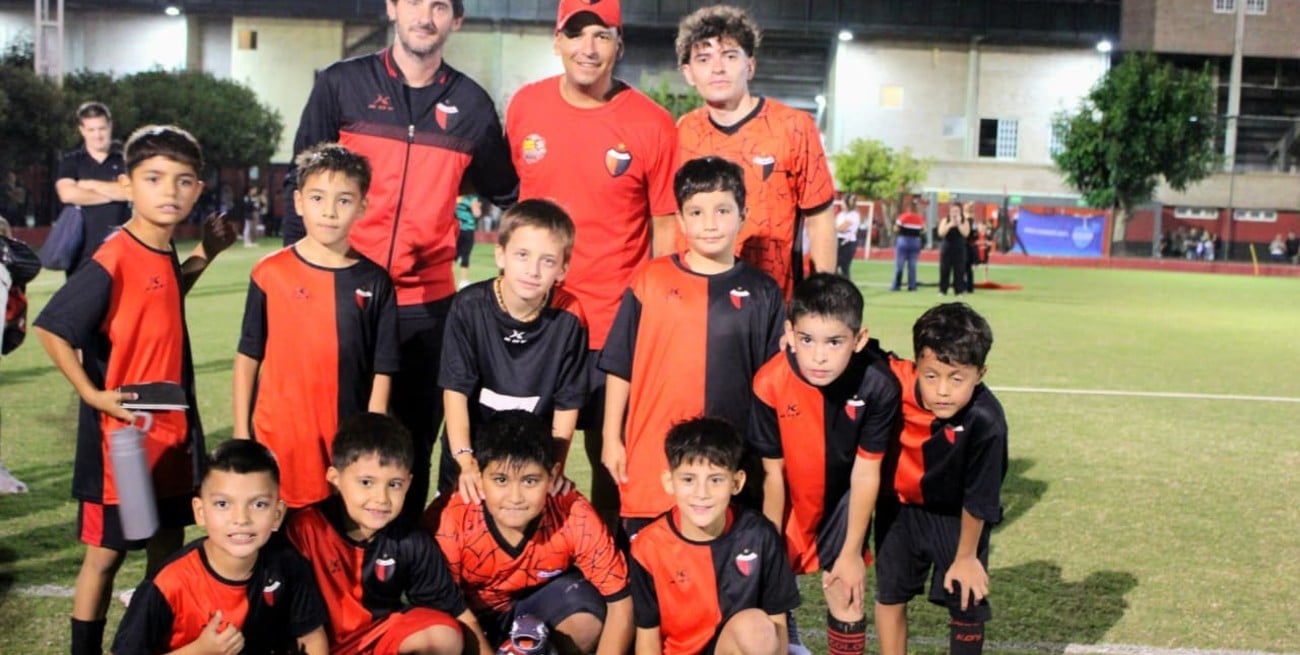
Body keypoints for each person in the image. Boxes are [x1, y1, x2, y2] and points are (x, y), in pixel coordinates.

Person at [286, 0, 520, 522]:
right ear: (392, 6)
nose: (425, 15)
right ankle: (323, 565)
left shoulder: (473, 105)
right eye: (414, 1)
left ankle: (399, 570)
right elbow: (297, 183)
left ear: (455, 20)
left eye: (440, 6)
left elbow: (509, 192)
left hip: (426, 306)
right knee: (331, 439)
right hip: (341, 293)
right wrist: (295, 280)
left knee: (409, 443)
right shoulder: (341, 84)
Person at [33, 124, 235, 655]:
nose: (169, 191)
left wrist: (205, 255)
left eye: (183, 180)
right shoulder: (114, 254)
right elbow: (53, 327)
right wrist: (93, 395)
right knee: (107, 552)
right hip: (122, 436)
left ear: (198, 189)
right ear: (127, 185)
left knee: (167, 544)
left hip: (172, 430)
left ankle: (144, 643)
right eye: (153, 178)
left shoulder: (160, 248)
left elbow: (162, 294)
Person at [504, 0, 679, 530]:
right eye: (575, 34)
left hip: (614, 328)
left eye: (601, 36)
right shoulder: (525, 107)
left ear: (619, 46)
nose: (588, 47)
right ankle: (520, 574)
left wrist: (661, 313)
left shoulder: (652, 123)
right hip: (537, 323)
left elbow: (666, 226)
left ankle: (611, 576)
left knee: (614, 462)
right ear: (556, 41)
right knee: (523, 461)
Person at [599, 156, 784, 536]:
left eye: (722, 210)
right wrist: (610, 437)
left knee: (721, 567)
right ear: (681, 221)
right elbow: (621, 364)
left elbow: (774, 383)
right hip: (653, 453)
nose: (710, 223)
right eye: (697, 212)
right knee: (651, 567)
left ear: (742, 214)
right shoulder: (650, 278)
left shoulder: (763, 291)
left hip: (731, 455)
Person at [233, 143, 400, 509]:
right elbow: (248, 357)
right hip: (280, 436)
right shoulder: (269, 272)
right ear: (298, 202)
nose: (329, 211)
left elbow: (382, 368)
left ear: (362, 207)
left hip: (345, 440)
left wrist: (370, 436)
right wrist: (242, 432)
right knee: (279, 537)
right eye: (318, 198)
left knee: (339, 537)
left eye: (343, 200)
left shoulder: (375, 281)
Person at [750, 274, 900, 655]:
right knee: (771, 590)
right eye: (807, 340)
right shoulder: (769, 382)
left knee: (846, 591)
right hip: (787, 496)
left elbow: (867, 470)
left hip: (844, 496)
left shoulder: (878, 384)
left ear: (859, 339)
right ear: (790, 333)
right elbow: (773, 473)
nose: (819, 356)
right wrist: (771, 544)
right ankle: (790, 640)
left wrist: (851, 552)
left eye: (834, 342)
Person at [426, 411, 633, 655]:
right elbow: (441, 604)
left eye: (530, 481)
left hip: (541, 607)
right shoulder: (449, 518)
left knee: (588, 615)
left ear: (553, 475)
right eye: (501, 480)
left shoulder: (572, 512)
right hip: (469, 615)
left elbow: (621, 603)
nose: (515, 498)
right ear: (478, 476)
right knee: (439, 632)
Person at [675, 4, 837, 299]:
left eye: (730, 55)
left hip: (775, 301)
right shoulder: (681, 133)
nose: (717, 68)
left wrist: (825, 297)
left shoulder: (794, 126)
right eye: (704, 58)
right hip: (700, 300)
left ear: (750, 65)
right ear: (688, 73)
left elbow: (820, 217)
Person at [111, 440, 330, 655]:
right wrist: (199, 651)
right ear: (200, 511)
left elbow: (311, 637)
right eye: (223, 504)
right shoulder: (167, 584)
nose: (241, 519)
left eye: (259, 504)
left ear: (277, 515)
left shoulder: (287, 564)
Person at [875, 303, 1008, 655]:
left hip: (957, 516)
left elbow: (981, 497)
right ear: (916, 365)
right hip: (898, 509)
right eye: (931, 375)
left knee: (966, 596)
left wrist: (966, 556)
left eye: (957, 378)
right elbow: (853, 347)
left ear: (980, 374)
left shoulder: (987, 421)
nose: (943, 391)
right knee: (890, 593)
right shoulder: (892, 380)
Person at [285, 413, 478, 655]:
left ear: (408, 484)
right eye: (366, 482)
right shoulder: (304, 530)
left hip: (375, 640)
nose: (381, 498)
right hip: (315, 645)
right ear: (335, 479)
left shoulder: (409, 539)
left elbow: (458, 612)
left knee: (442, 635)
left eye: (394, 484)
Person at [438, 199, 587, 502]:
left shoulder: (570, 316)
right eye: (522, 255)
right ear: (501, 254)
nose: (532, 270)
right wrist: (465, 461)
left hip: (530, 456)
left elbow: (567, 403)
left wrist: (555, 463)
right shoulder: (469, 306)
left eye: (547, 261)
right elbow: (455, 391)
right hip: (470, 448)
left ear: (563, 269)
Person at [629, 417, 800, 655]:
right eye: (688, 480)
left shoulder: (759, 535)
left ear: (736, 483)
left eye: (716, 480)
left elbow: (777, 625)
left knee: (756, 628)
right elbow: (647, 637)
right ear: (669, 482)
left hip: (735, 649)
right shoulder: (648, 547)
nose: (702, 493)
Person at [55, 102, 132, 274]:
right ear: (82, 130)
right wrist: (114, 194)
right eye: (91, 130)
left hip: (122, 251)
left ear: (110, 126)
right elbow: (66, 194)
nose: (97, 135)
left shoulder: (125, 161)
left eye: (102, 128)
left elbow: (132, 192)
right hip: (81, 256)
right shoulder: (72, 161)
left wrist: (88, 185)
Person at [892, 197, 925, 292]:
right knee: (912, 265)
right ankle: (912, 286)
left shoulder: (904, 216)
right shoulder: (919, 218)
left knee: (899, 265)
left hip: (903, 241)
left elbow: (896, 228)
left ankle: (896, 285)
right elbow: (924, 230)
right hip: (915, 241)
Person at [937, 203, 970, 295]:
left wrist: (959, 224)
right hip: (947, 247)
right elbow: (941, 233)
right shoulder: (945, 220)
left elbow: (966, 234)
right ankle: (943, 290)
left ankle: (959, 290)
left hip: (959, 248)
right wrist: (949, 225)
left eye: (957, 211)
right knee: (944, 269)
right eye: (953, 211)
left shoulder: (964, 221)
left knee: (959, 269)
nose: (954, 213)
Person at [454, 193, 481, 290]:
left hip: (456, 230)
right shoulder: (472, 198)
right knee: (466, 254)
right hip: (468, 230)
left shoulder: (456, 197)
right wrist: (477, 206)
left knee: (454, 255)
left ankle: (448, 276)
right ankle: (463, 280)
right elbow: (477, 213)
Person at [834, 195, 861, 279]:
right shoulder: (840, 215)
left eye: (843, 202)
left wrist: (833, 229)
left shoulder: (854, 215)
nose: (841, 204)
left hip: (848, 242)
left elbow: (841, 228)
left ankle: (846, 285)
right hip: (838, 240)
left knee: (844, 267)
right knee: (834, 265)